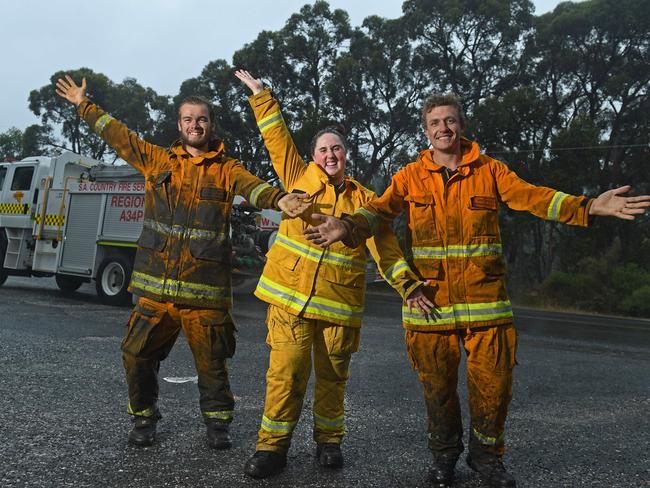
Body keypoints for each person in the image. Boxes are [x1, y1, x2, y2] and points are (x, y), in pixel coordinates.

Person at [303, 92, 650, 488]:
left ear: (462, 125)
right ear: (426, 130)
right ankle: (444, 458)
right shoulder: (408, 177)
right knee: (438, 393)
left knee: (494, 390)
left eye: (449, 121)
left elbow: (534, 197)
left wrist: (588, 207)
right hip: (431, 309)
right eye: (434, 123)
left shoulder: (490, 170)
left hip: (487, 307)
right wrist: (346, 226)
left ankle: (487, 460)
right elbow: (378, 211)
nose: (442, 129)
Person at [54, 75, 309, 448]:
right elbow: (118, 136)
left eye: (201, 119)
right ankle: (144, 420)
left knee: (212, 366)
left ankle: (217, 425)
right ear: (179, 125)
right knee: (135, 354)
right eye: (188, 119)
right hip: (156, 293)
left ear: (210, 125)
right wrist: (83, 104)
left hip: (204, 298)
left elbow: (254, 188)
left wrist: (279, 200)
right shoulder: (157, 161)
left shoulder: (227, 169)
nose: (195, 125)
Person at [234, 70, 431, 478]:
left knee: (332, 378)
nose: (330, 155)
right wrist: (261, 96)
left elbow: (387, 251)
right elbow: (276, 137)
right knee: (285, 375)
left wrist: (408, 285)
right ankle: (272, 449)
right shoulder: (297, 180)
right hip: (290, 300)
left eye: (336, 148)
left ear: (346, 154)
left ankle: (328, 443)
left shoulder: (366, 202)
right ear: (313, 156)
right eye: (323, 149)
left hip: (338, 309)